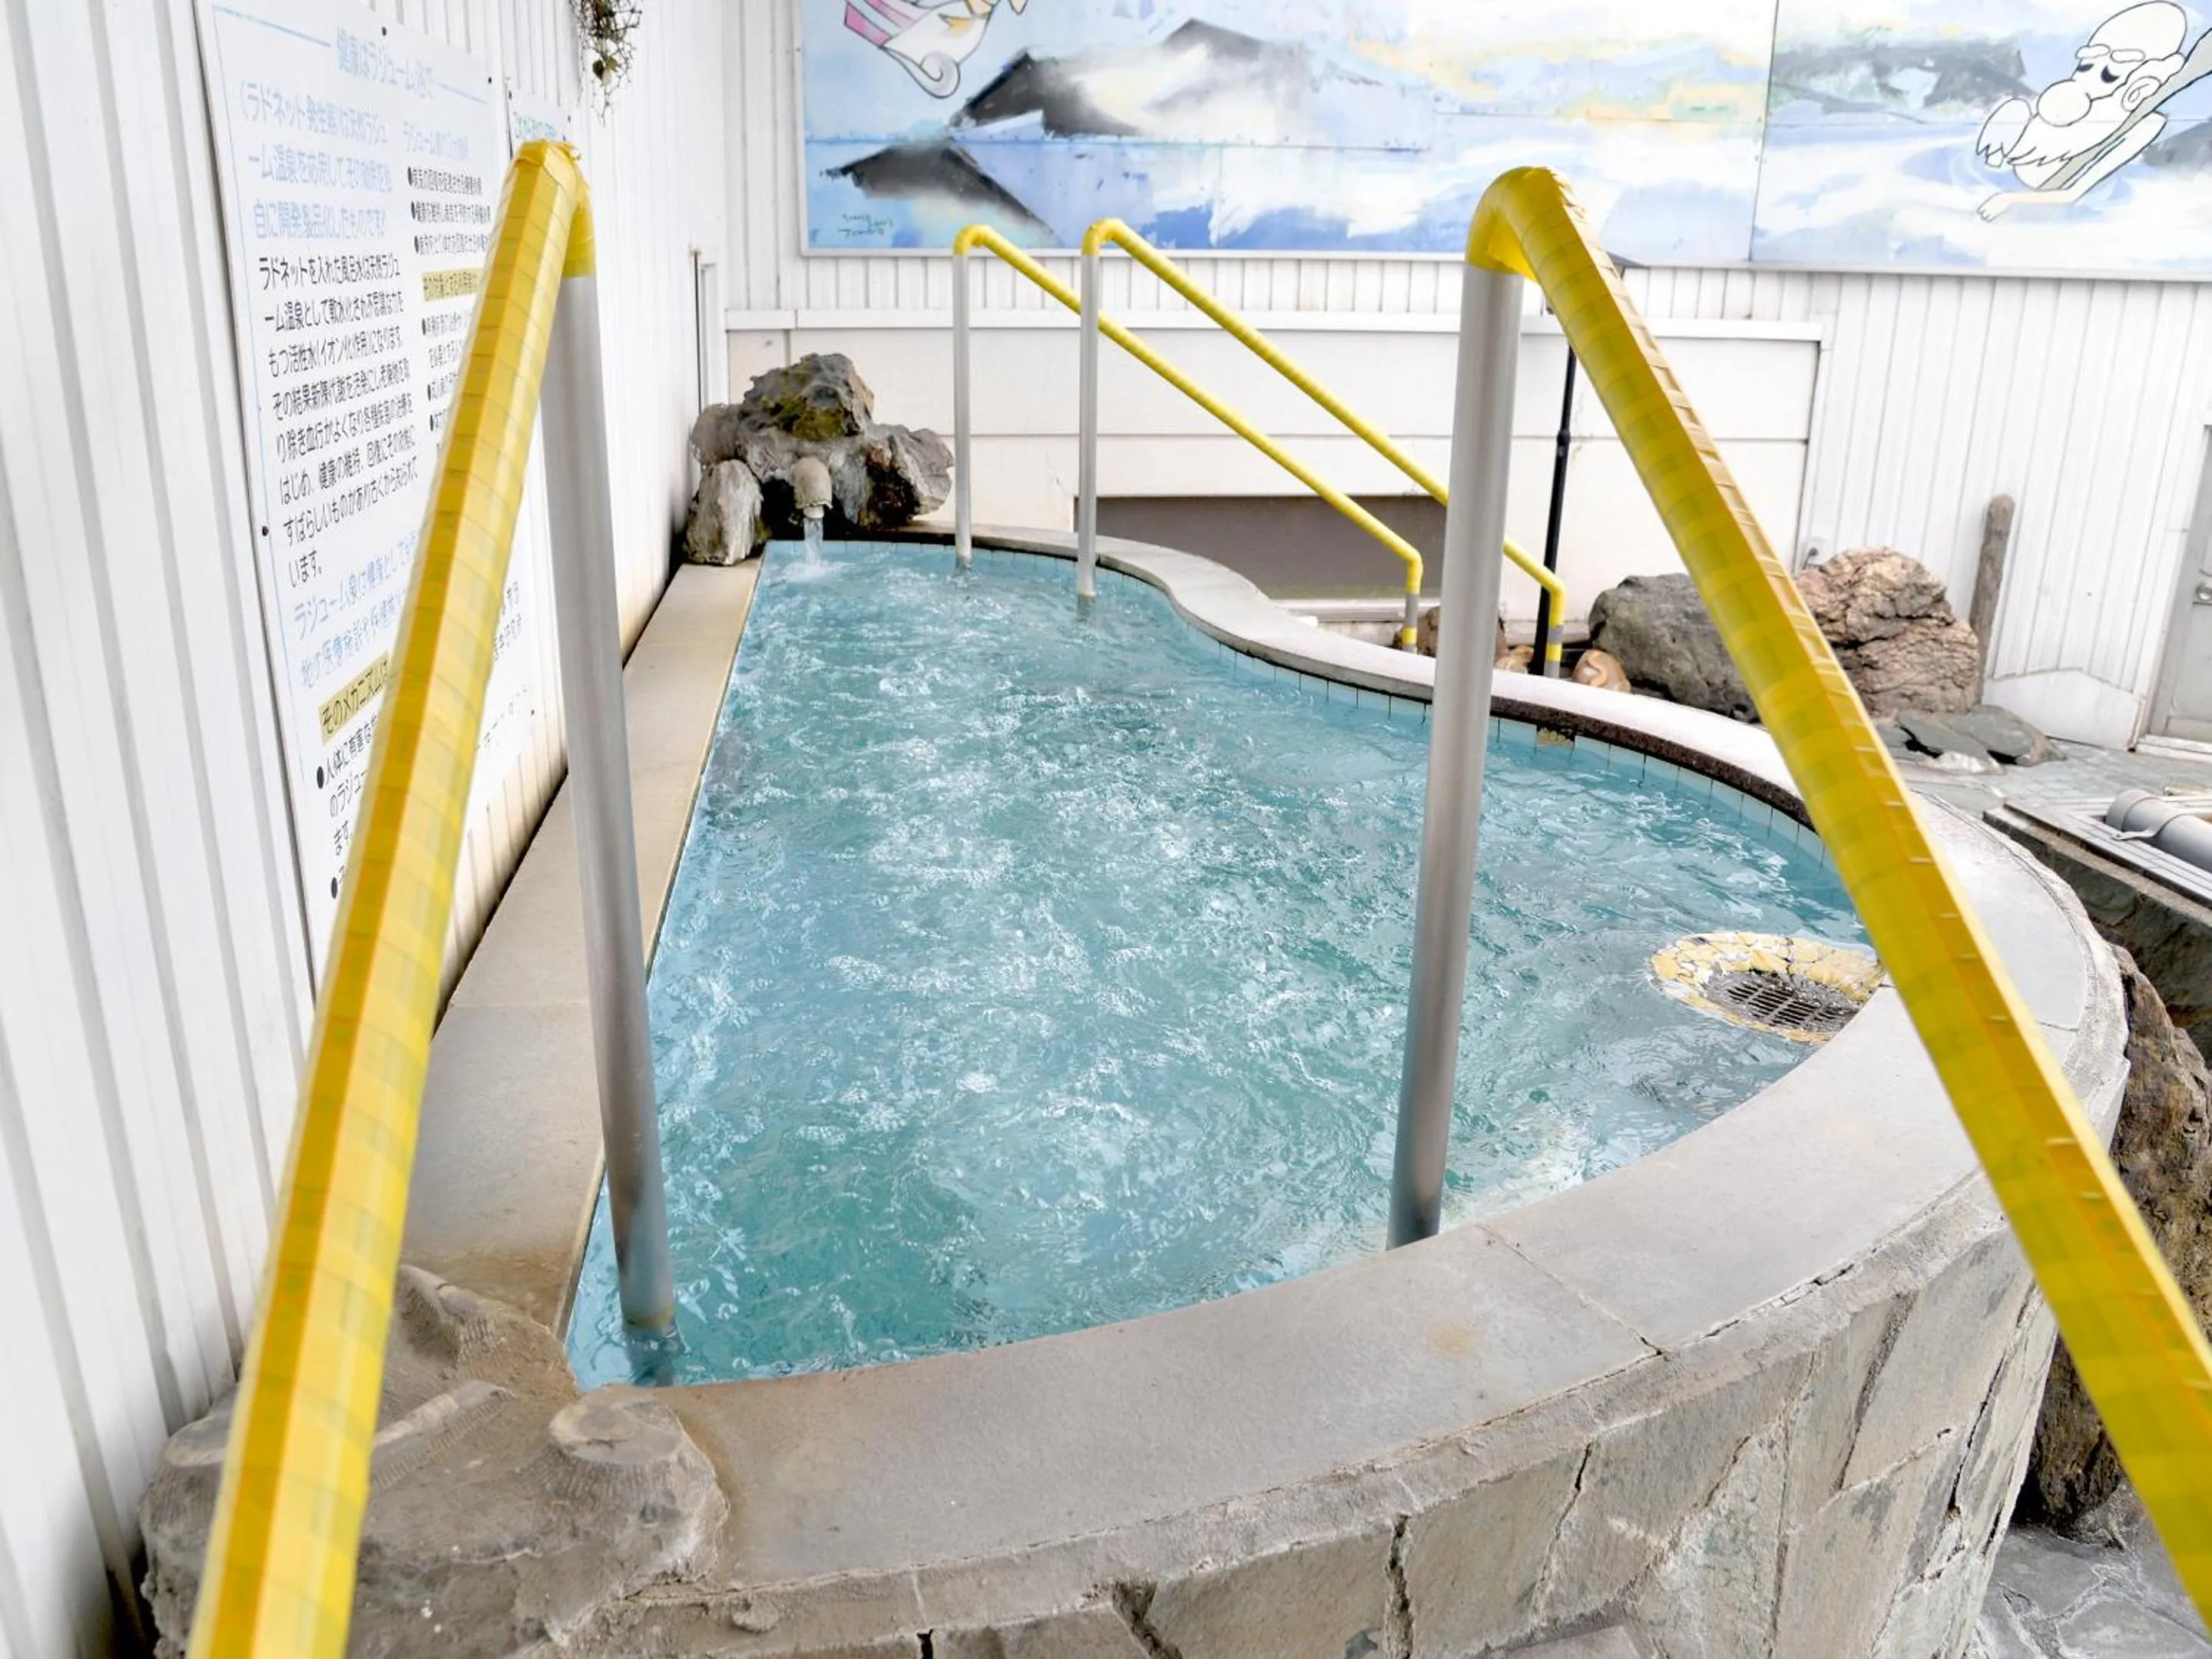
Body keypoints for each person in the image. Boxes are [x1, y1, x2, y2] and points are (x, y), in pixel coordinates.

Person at [1974, 2, 2198, 217]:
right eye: (2086, 66)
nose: (2087, 80)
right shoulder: (2024, 116)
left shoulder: (2145, 125)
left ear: (2142, 84)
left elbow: (2071, 194)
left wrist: (2010, 199)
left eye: (2110, 74)